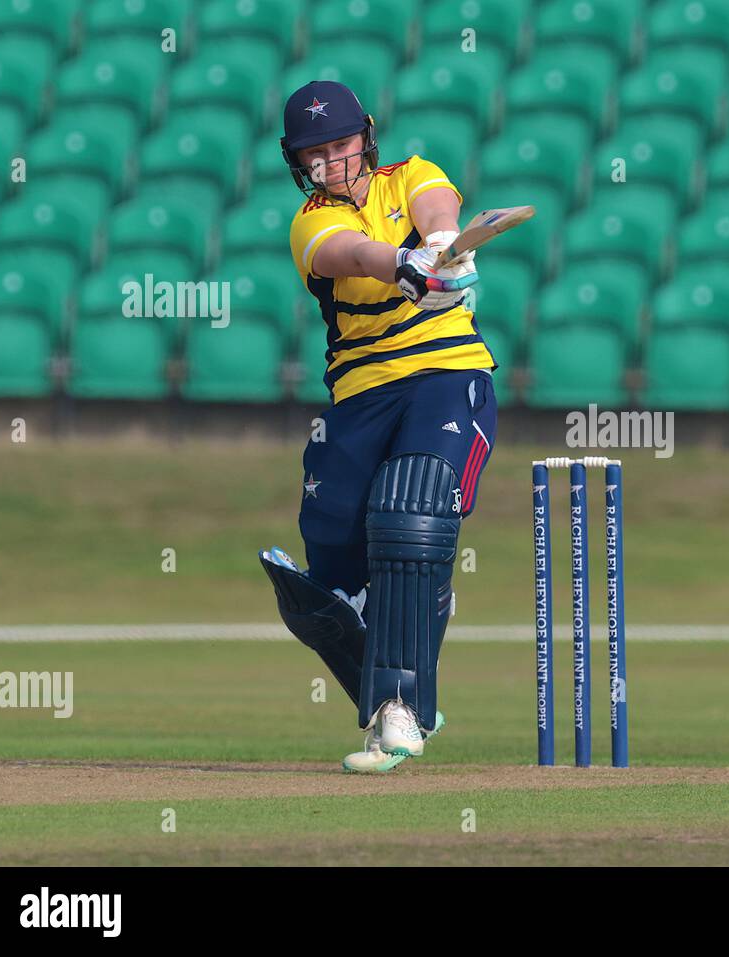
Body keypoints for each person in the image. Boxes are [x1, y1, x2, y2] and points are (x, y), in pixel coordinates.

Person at [258, 80, 497, 773]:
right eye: (316, 154)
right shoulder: (311, 221)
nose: (333, 162)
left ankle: (398, 712)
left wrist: (443, 242)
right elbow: (350, 255)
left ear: (365, 135)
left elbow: (437, 201)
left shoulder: (408, 177)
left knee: (410, 510)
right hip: (359, 397)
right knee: (327, 570)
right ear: (297, 162)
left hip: (448, 376)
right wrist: (404, 263)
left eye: (341, 145)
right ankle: (423, 609)